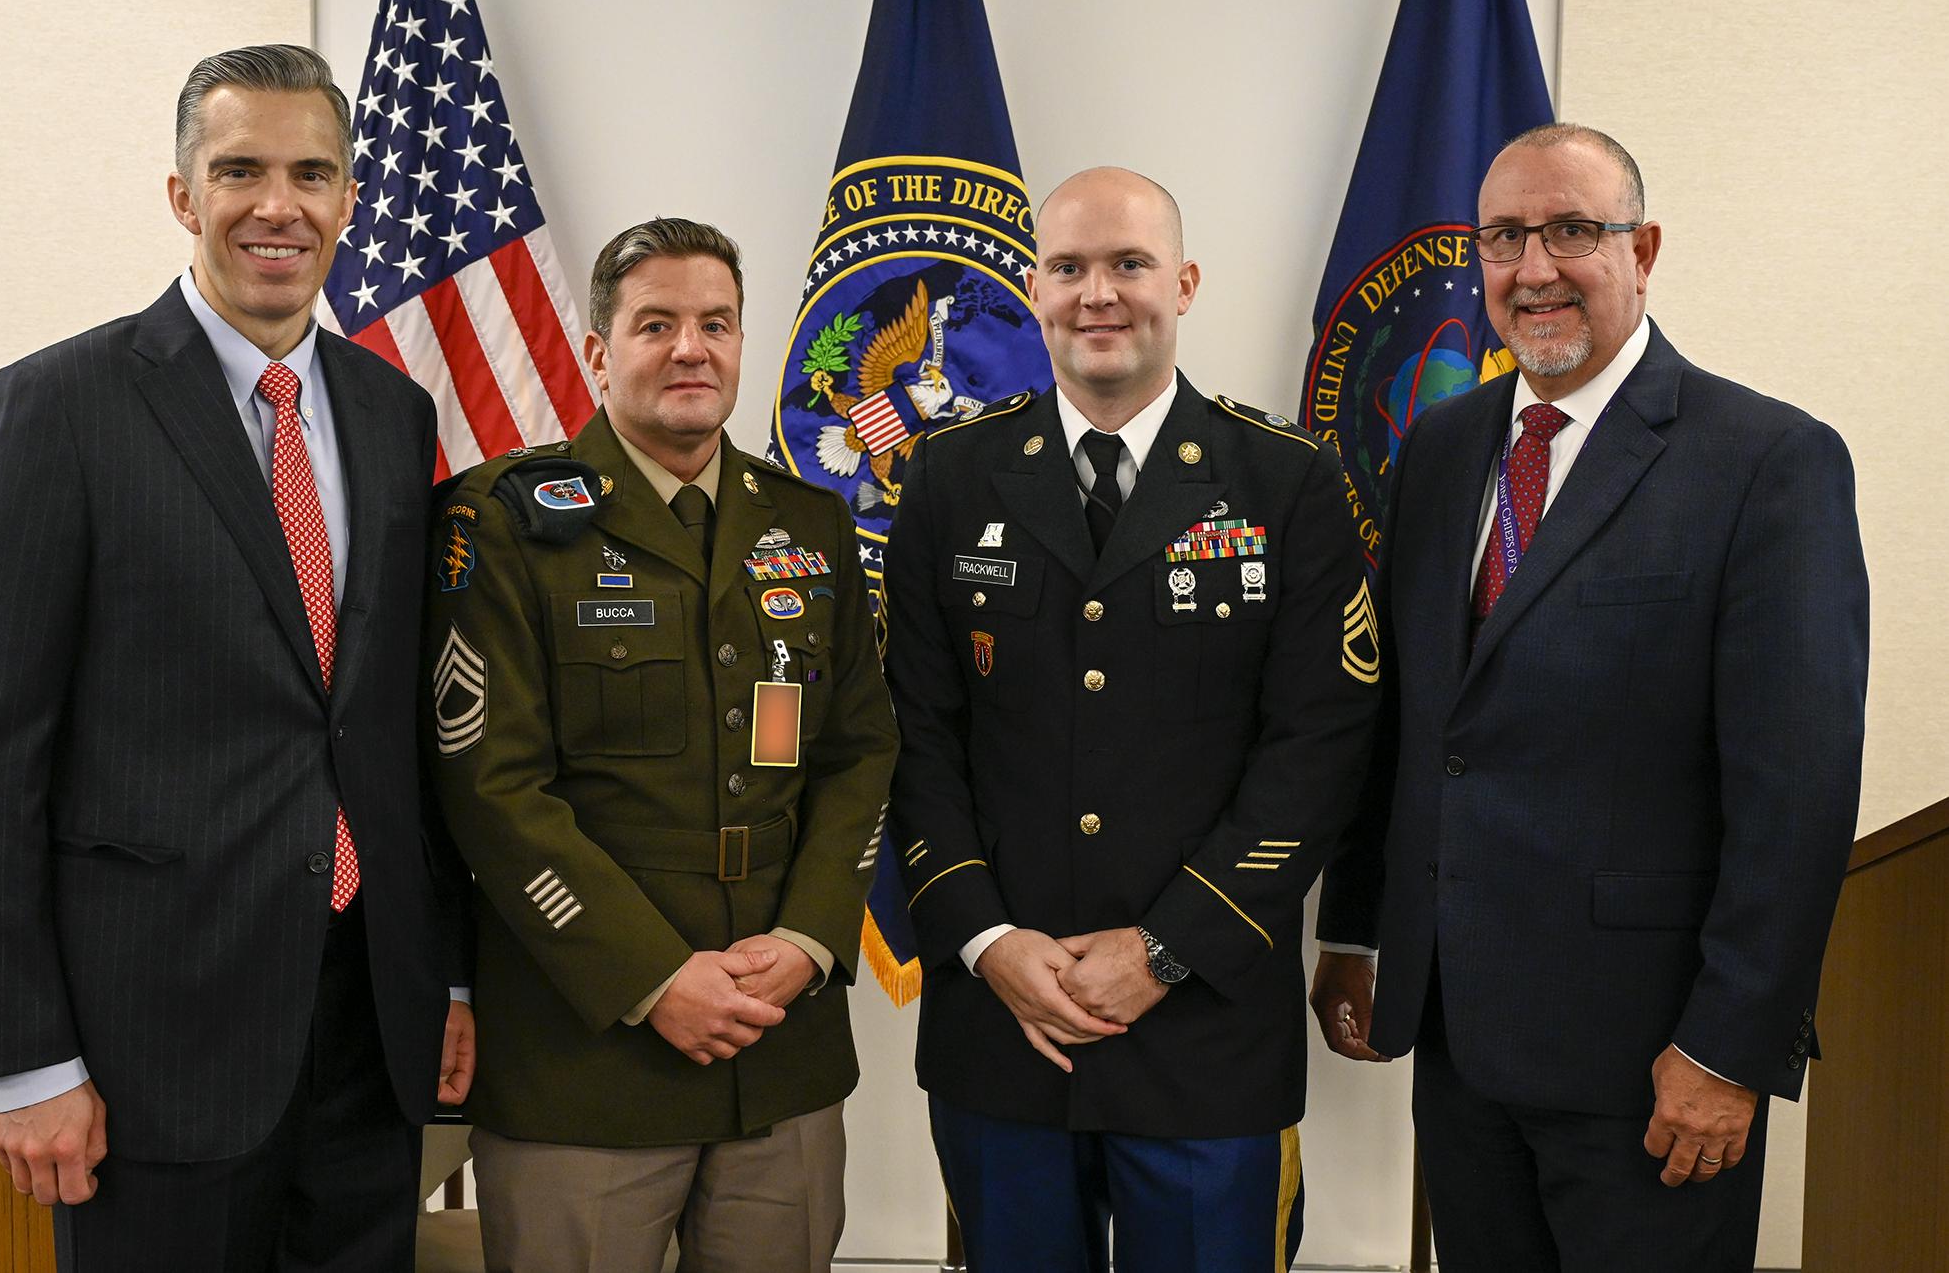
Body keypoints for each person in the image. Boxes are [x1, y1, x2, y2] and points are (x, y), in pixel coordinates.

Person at [0, 43, 475, 1272]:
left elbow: (390, 730)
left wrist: (446, 977)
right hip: (147, 1052)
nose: (278, 205)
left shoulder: (393, 417)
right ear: (183, 195)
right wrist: (26, 1058)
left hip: (364, 1033)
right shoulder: (56, 408)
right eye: (240, 170)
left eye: (312, 174)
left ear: (347, 200)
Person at [1311, 123, 1868, 1272]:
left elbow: (1797, 794)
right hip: (1457, 1040)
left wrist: (1729, 1049)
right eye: (1506, 237)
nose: (1535, 267)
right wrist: (1359, 927)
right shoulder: (1444, 448)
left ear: (1643, 248)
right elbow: (1412, 724)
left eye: (1573, 230)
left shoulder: (1766, 461)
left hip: (1653, 1061)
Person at [881, 167, 1380, 1272]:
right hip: (1004, 1025)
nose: (1098, 293)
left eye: (1129, 264)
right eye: (1068, 268)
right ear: (1032, 289)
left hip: (1204, 1029)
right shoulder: (951, 479)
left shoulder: (1286, 482)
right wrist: (987, 941)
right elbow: (914, 735)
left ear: (1185, 283)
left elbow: (1321, 747)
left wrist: (1165, 951)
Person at [424, 216, 897, 1271]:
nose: (692, 348)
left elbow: (859, 750)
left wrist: (813, 941)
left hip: (781, 1048)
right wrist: (653, 978)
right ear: (598, 352)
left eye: (716, 323)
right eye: (657, 324)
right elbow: (489, 787)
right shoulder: (502, 521)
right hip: (585, 1061)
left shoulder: (809, 525)